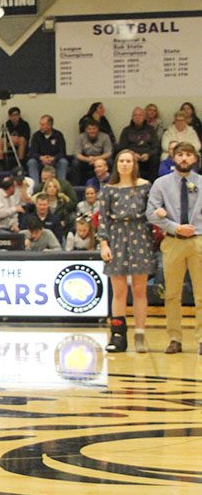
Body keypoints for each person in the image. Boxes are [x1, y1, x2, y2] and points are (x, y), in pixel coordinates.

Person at [146, 142, 202, 355]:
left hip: (198, 240)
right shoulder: (161, 184)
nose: (184, 159)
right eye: (180, 155)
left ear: (195, 158)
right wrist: (174, 226)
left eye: (188, 155)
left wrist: (195, 229)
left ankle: (201, 339)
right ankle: (174, 338)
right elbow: (151, 213)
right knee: (172, 294)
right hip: (173, 240)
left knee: (201, 294)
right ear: (173, 157)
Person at [97, 149, 154, 353]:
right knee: (119, 291)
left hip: (140, 235)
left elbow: (152, 212)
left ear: (134, 164)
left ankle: (140, 334)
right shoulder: (108, 189)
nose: (124, 164)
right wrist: (104, 244)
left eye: (128, 160)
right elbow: (102, 219)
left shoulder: (145, 186)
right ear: (117, 164)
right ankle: (118, 335)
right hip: (117, 236)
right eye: (121, 160)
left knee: (139, 290)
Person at [119, 106, 160, 181]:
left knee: (155, 159)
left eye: (140, 115)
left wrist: (148, 154)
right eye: (135, 115)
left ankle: (151, 184)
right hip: (132, 156)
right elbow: (122, 147)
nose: (137, 117)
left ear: (144, 117)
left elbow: (156, 146)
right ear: (132, 117)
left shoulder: (151, 129)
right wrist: (132, 154)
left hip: (148, 156)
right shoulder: (126, 130)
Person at [26, 114, 68, 185]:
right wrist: (41, 158)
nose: (40, 127)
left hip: (54, 161)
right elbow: (32, 152)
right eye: (40, 124)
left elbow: (62, 152)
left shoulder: (58, 135)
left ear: (49, 125)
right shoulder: (36, 136)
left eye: (42, 125)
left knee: (63, 162)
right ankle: (35, 187)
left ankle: (61, 186)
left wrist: (53, 158)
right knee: (31, 162)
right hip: (40, 161)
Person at [72, 118, 112, 185]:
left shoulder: (105, 136)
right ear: (85, 130)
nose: (92, 131)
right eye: (89, 129)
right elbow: (77, 154)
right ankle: (76, 186)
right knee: (75, 163)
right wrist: (87, 159)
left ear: (98, 129)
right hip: (86, 160)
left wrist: (96, 159)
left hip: (100, 158)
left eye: (94, 129)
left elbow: (108, 153)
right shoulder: (81, 137)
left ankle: (110, 182)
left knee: (110, 162)